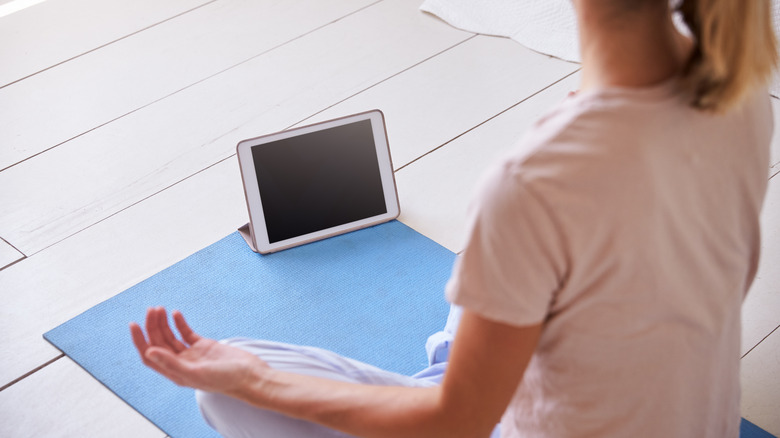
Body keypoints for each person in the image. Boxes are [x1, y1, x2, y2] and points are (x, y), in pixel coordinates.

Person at [130, 0, 777, 436]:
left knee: (224, 386)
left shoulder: (533, 184)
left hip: (481, 421)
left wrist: (259, 381)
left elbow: (458, 422)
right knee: (494, 270)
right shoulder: (740, 86)